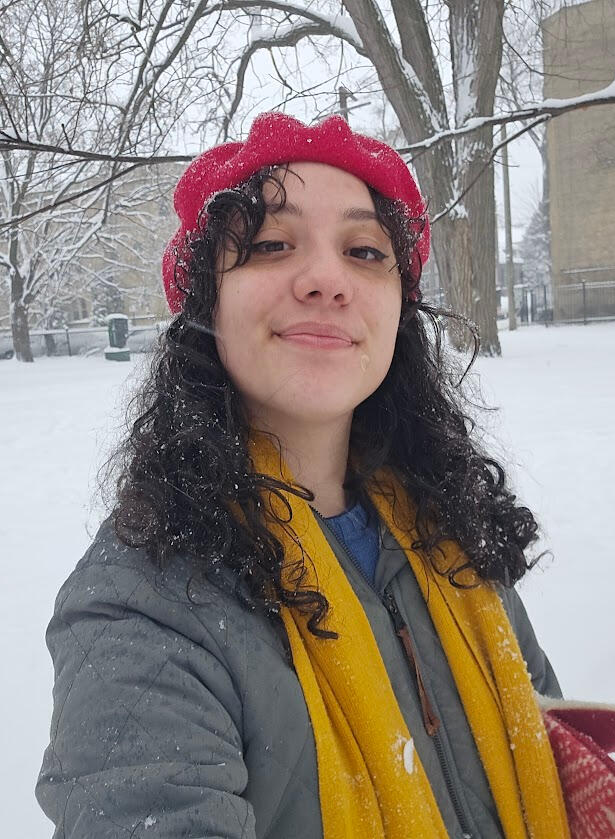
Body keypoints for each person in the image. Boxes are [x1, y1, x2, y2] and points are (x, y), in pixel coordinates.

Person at [36, 113, 571, 838]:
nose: (326, 278)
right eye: (270, 243)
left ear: (397, 309)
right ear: (207, 305)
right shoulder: (142, 604)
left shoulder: (456, 542)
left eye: (363, 250)